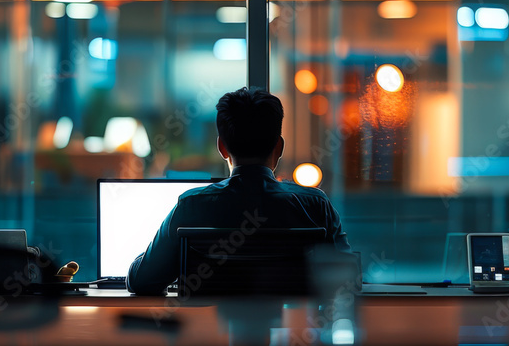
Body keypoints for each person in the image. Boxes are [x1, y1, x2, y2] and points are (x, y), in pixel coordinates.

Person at [126, 87, 351, 295]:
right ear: (279, 147)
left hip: (208, 338)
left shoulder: (192, 205)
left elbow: (142, 281)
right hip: (291, 336)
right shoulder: (315, 205)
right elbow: (347, 280)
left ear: (221, 147)